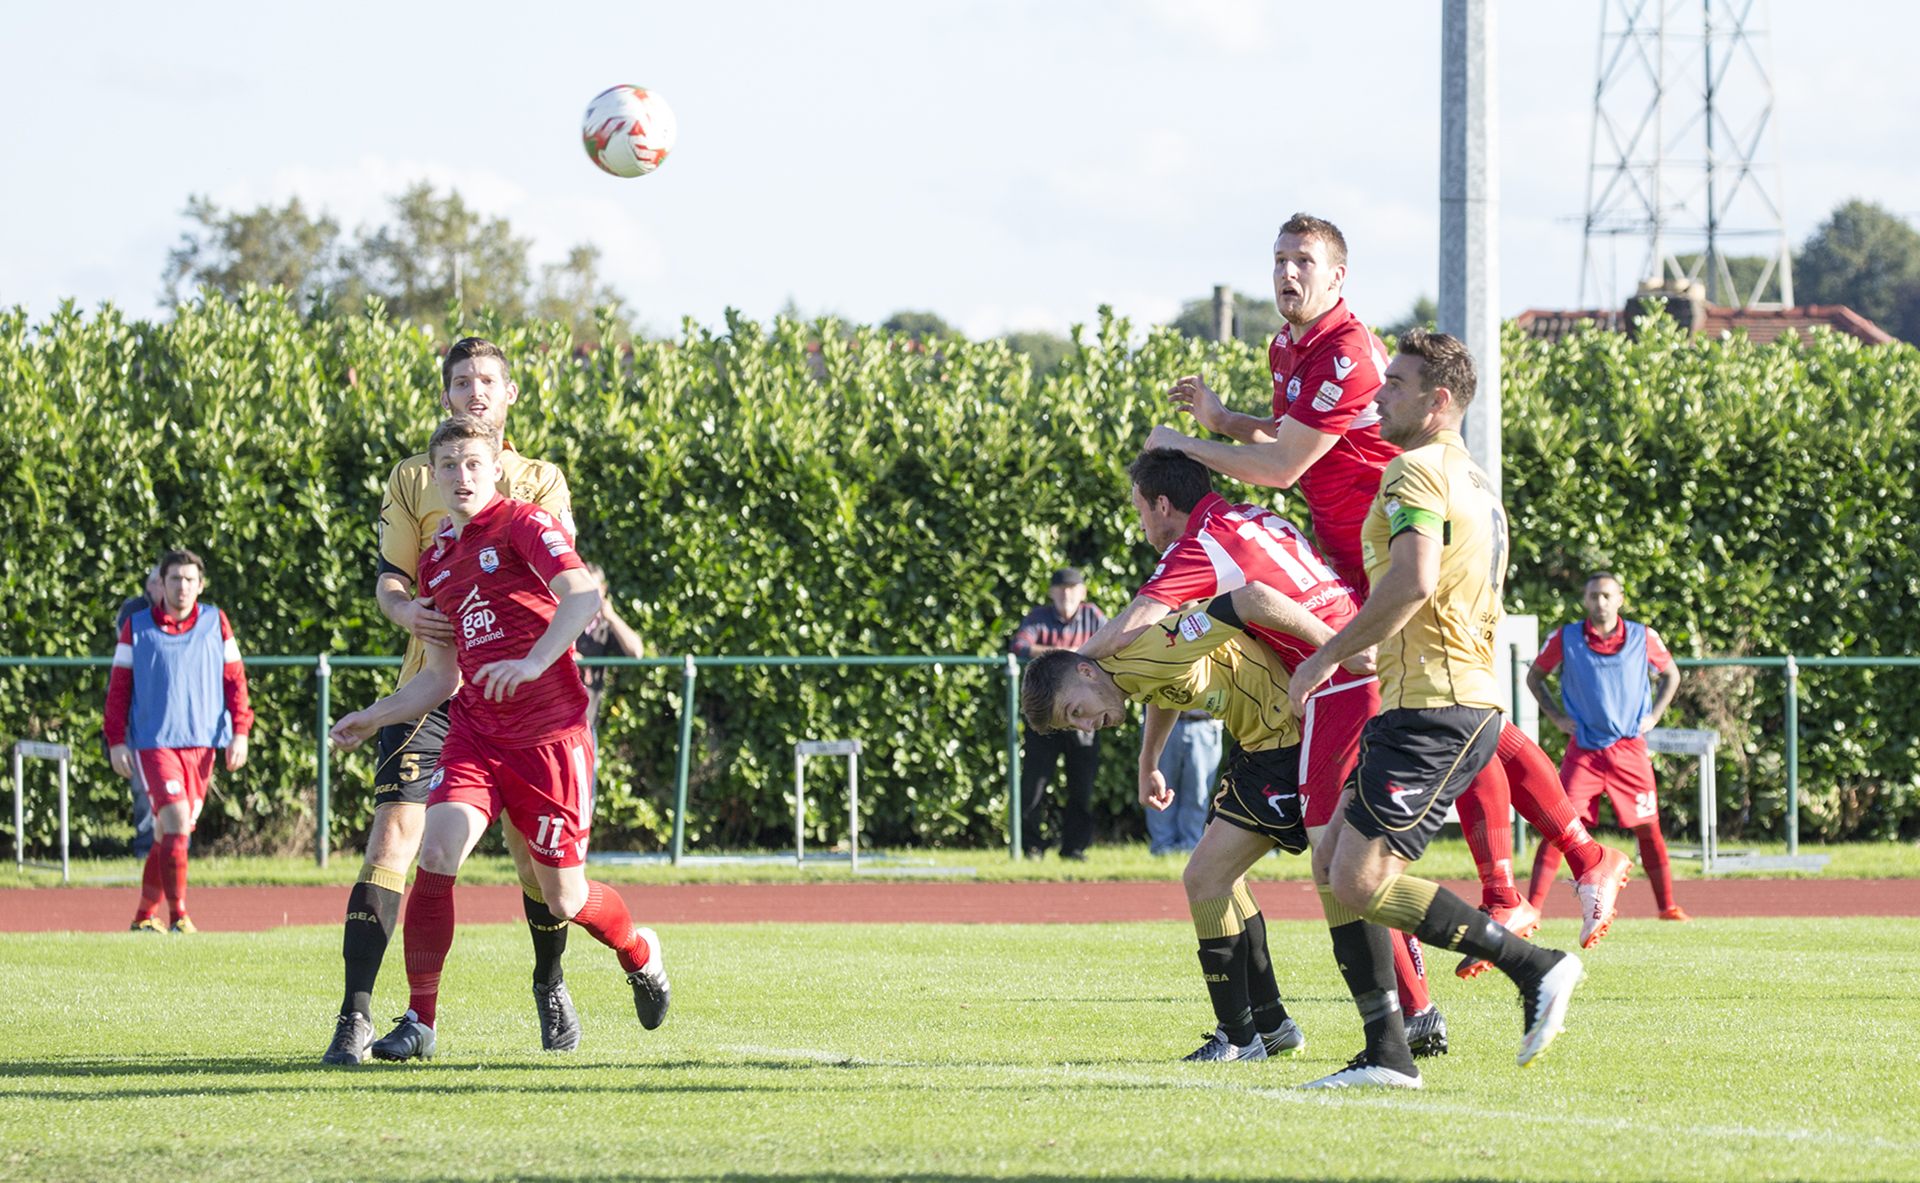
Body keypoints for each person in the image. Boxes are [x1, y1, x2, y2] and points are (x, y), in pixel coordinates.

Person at [1285, 329, 1591, 1089]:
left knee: (1356, 877)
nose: (1377, 394)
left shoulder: (1413, 472)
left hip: (1438, 702)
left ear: (1438, 400)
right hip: (1432, 695)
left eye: (1395, 383)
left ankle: (1537, 966)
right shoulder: (1475, 480)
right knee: (1332, 865)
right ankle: (1386, 1051)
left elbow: (1415, 580)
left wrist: (1324, 654)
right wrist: (1375, 643)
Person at [1079, 447, 1448, 1058]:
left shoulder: (1196, 554)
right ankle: (1288, 1025)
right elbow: (1165, 668)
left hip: (1332, 689)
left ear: (1162, 505)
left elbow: (1136, 629)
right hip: (1331, 682)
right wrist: (1148, 760)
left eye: (1141, 511)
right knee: (1303, 865)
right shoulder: (1255, 517)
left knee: (1340, 865)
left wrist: (1064, 667)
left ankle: (1414, 1012)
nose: (1142, 526)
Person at [329, 415, 670, 1061]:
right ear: (434, 476)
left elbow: (581, 595)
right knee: (436, 850)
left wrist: (535, 661)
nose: (461, 475)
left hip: (549, 739)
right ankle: (420, 1021)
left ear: (494, 469)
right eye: (449, 465)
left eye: (473, 463)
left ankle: (639, 950)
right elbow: (440, 679)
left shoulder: (523, 522)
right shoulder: (435, 562)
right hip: (478, 735)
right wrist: (373, 716)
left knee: (565, 897)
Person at [323, 337, 582, 1066]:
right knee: (393, 843)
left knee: (537, 865)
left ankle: (550, 979)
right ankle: (357, 1016)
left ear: (510, 396)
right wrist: (407, 614)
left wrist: (532, 659)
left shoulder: (539, 480)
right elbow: (391, 580)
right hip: (431, 685)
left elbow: (559, 579)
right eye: (462, 380)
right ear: (446, 395)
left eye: (488, 380)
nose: (475, 391)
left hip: (516, 698)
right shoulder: (414, 477)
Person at [1022, 602, 1310, 1063]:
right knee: (1225, 879)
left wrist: (1335, 651)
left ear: (1086, 672)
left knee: (1206, 878)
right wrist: (1148, 761)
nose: (1083, 726)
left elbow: (1249, 597)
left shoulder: (1149, 645)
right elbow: (1163, 687)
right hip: (1259, 746)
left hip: (1285, 742)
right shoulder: (1124, 669)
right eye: (1070, 723)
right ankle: (1272, 1025)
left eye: (1075, 710)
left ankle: (1239, 1036)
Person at [1146, 213, 1397, 595]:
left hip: (1389, 548)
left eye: (1304, 261)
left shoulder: (1347, 355)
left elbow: (1283, 467)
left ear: (1336, 277)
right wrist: (1225, 421)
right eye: (1280, 260)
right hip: (1344, 551)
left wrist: (1183, 445)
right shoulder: (1284, 344)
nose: (1288, 272)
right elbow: (1285, 436)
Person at [103, 549, 252, 934]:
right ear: (159, 584)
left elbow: (235, 682)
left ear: (200, 585)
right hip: (154, 743)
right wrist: (116, 741)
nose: (182, 587)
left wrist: (240, 732)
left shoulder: (217, 622)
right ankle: (180, 917)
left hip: (202, 743)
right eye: (174, 579)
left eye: (189, 580)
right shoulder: (135, 627)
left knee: (164, 832)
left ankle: (141, 917)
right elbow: (118, 689)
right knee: (176, 822)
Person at [1526, 572, 1689, 921]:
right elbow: (1534, 677)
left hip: (1629, 749)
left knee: (1649, 827)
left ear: (1620, 599)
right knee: (1560, 826)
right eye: (1594, 596)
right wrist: (1556, 717)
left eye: (1606, 596)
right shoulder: (1565, 637)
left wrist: (1655, 715)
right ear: (1585, 601)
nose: (1600, 602)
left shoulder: (1644, 636)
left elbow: (1671, 674)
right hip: (1584, 751)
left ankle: (1667, 907)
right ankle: (1533, 909)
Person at [1009, 569, 1107, 860]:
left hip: (1084, 716)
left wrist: (1055, 656)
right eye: (1060, 589)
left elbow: (1115, 643)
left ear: (1082, 592)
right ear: (1051, 592)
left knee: (1082, 785)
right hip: (1046, 715)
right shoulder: (1038, 617)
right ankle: (1032, 847)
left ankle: (1074, 848)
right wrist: (1070, 655)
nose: (1066, 594)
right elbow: (1019, 645)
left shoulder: (1093, 616)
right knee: (1034, 784)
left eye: (1071, 589)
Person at [112, 562, 165, 859]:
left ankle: (173, 848)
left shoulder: (192, 618)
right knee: (142, 785)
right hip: (137, 714)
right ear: (152, 585)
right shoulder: (133, 611)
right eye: (163, 581)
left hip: (169, 717)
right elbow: (138, 647)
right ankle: (146, 849)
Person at [574, 562, 645, 740]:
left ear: (603, 590)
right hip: (557, 719)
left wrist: (612, 617)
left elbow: (636, 652)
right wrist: (571, 656)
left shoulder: (606, 625)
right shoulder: (566, 618)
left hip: (587, 724)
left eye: (593, 588)